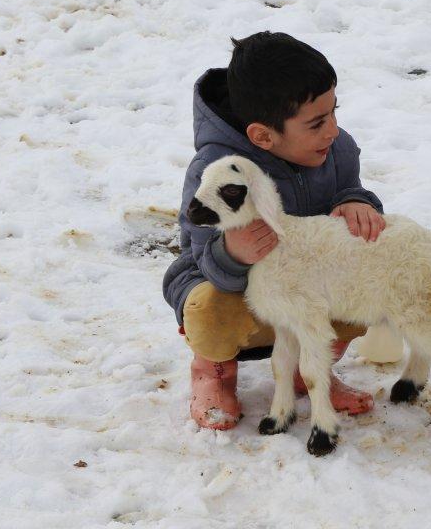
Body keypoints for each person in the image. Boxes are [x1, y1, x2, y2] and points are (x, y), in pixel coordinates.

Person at [162, 32, 387, 430]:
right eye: (317, 123)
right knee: (209, 307)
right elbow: (200, 248)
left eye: (334, 112)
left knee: (365, 279)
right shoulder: (217, 170)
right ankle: (213, 373)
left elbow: (348, 189)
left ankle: (309, 368)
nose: (333, 131)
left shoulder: (335, 151)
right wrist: (232, 253)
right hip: (231, 287)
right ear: (263, 136)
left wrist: (356, 202)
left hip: (300, 281)